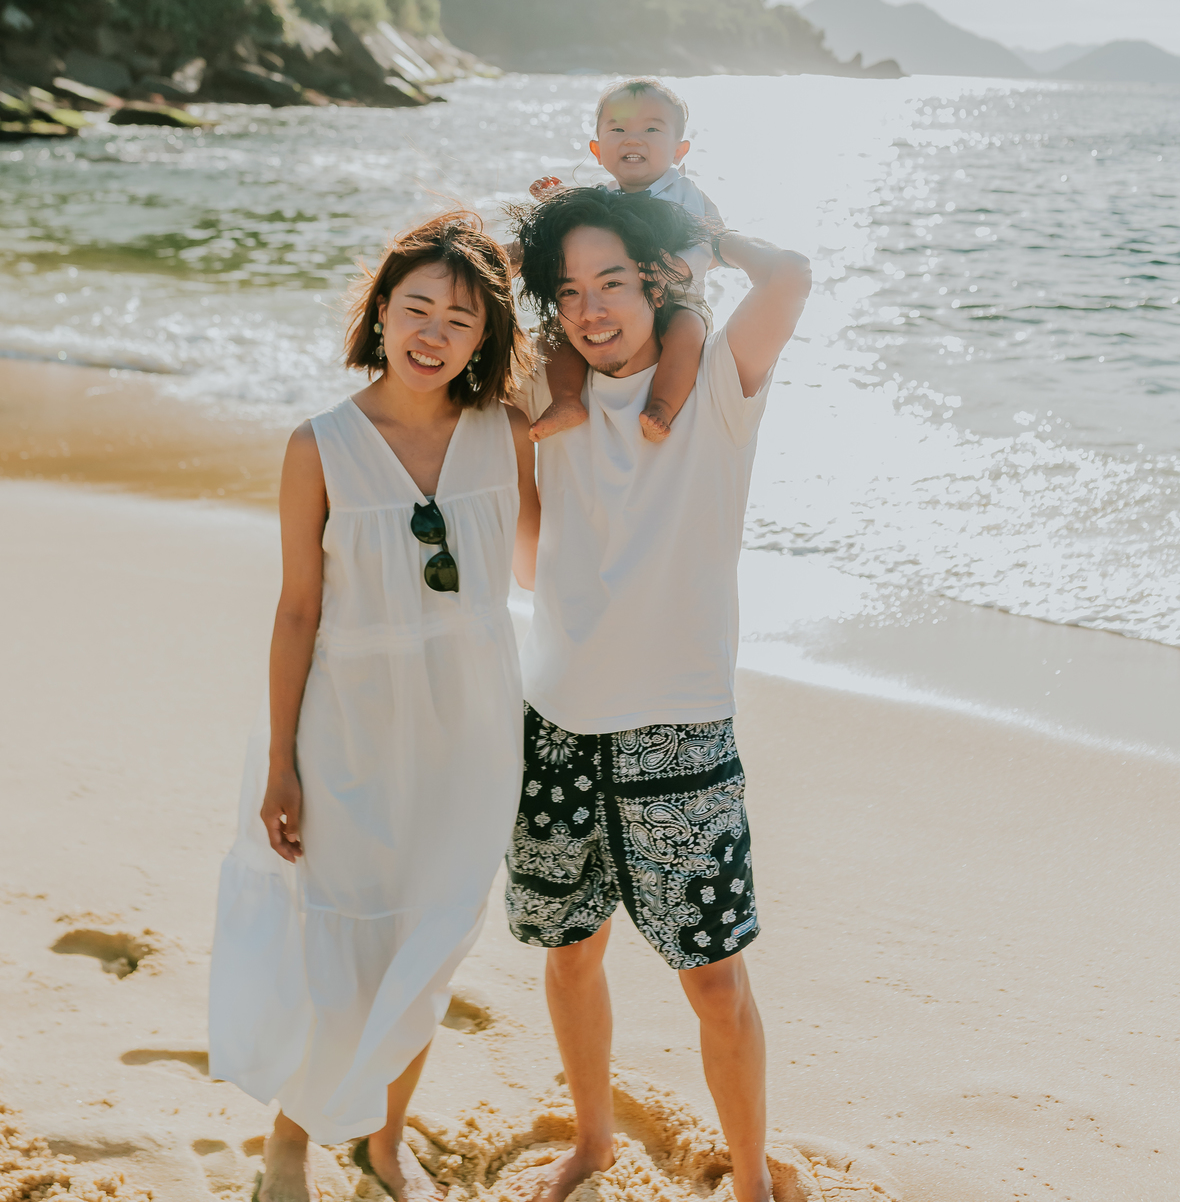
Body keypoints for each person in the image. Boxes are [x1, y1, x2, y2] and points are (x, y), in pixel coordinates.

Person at [208, 213, 539, 1202]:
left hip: (472, 737)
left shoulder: (505, 433)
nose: (433, 333)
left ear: (487, 338)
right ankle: (290, 1142)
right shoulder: (321, 447)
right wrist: (281, 762)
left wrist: (537, 240)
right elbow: (297, 611)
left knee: (430, 945)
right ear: (380, 314)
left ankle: (383, 1143)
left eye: (461, 319)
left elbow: (590, 384)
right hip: (348, 734)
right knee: (343, 950)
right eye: (417, 308)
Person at [504, 184, 811, 1202]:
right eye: (570, 292)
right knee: (570, 952)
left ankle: (754, 1181)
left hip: (679, 734)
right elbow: (527, 555)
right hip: (557, 724)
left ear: (653, 283)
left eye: (611, 283)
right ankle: (591, 1142)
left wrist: (704, 240)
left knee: (715, 982)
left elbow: (792, 276)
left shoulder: (718, 384)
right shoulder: (551, 406)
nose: (592, 309)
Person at [525, 78, 722, 445]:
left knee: (687, 330)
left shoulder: (685, 194)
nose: (633, 139)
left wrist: (679, 265)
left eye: (651, 128)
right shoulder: (606, 195)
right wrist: (554, 197)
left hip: (679, 298)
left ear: (679, 150)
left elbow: (713, 240)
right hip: (620, 299)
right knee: (557, 330)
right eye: (618, 129)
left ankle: (662, 404)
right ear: (598, 150)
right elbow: (580, 214)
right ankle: (566, 400)